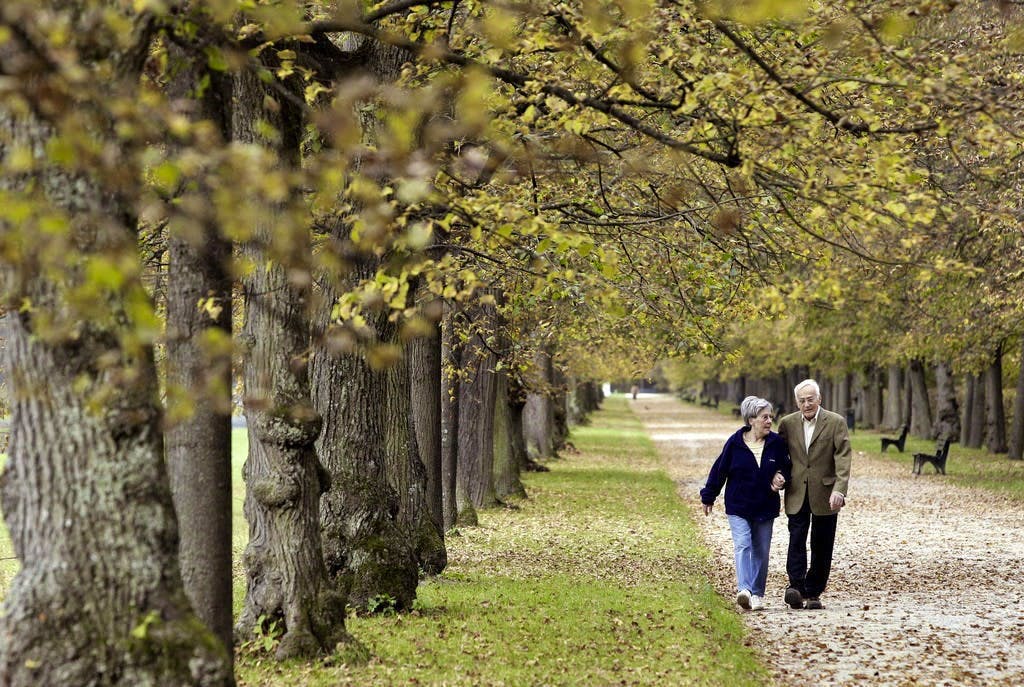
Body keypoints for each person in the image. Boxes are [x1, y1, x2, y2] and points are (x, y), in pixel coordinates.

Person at [700, 396, 790, 611]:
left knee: (761, 551)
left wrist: (781, 476)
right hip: (738, 504)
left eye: (770, 417)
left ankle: (757, 594)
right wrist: (708, 496)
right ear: (751, 419)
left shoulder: (776, 443)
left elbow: (788, 467)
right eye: (764, 417)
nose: (769, 421)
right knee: (743, 544)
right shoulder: (735, 442)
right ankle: (744, 590)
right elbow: (719, 470)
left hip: (765, 505)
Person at [777, 379, 852, 611]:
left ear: (819, 399)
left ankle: (814, 591)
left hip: (826, 492)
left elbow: (843, 457)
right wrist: (777, 474)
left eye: (810, 399)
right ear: (796, 402)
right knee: (796, 539)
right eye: (802, 400)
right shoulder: (787, 423)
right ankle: (796, 588)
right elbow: (779, 454)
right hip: (797, 490)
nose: (806, 404)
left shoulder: (836, 422)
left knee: (822, 542)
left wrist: (840, 489)